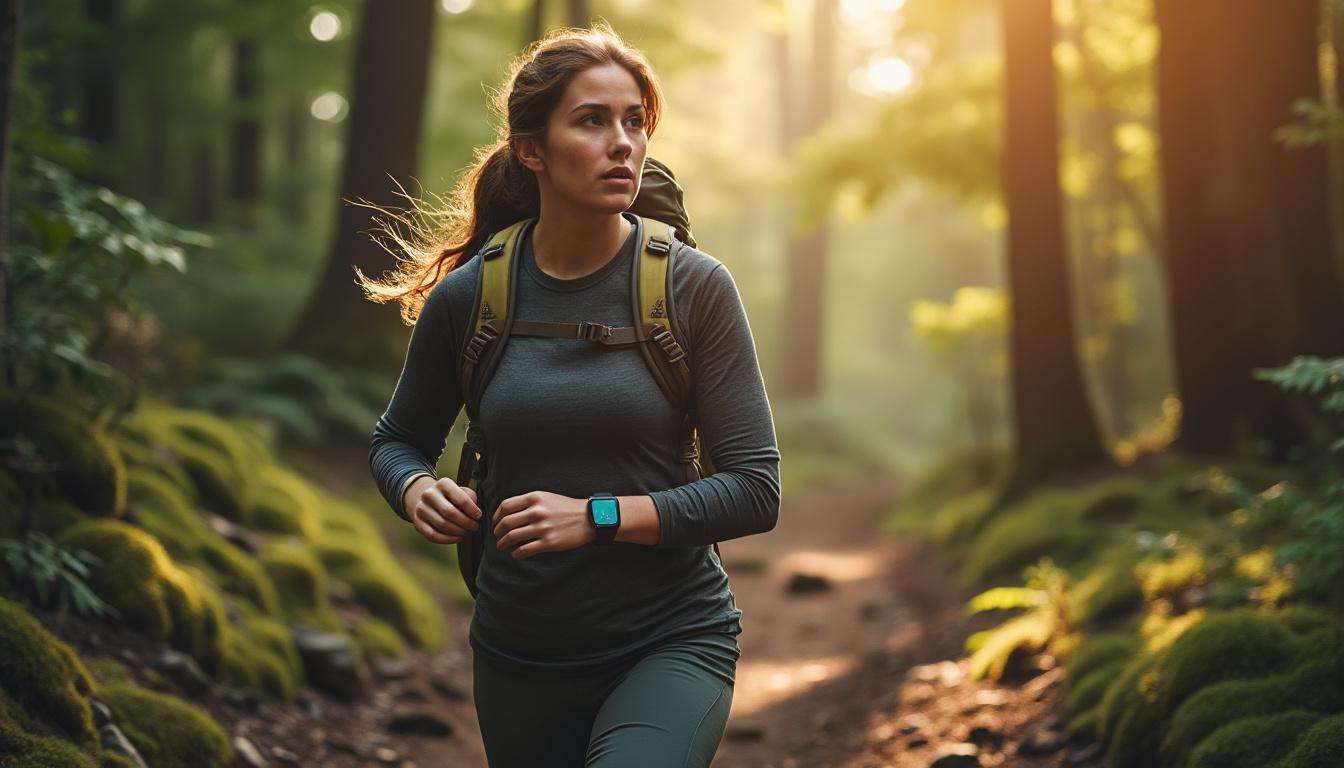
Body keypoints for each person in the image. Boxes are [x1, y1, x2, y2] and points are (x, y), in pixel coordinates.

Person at [365, 22, 780, 768]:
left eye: (634, 122)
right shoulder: (471, 297)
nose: (622, 142)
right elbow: (396, 441)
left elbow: (755, 489)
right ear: (532, 150)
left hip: (670, 638)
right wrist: (416, 489)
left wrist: (598, 517)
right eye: (592, 120)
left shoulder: (693, 287)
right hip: (518, 652)